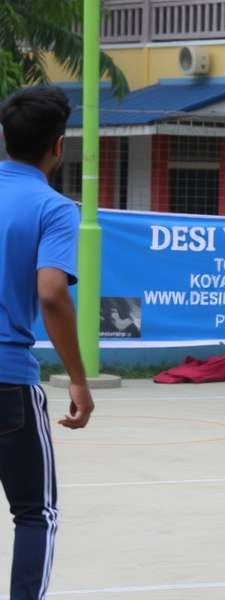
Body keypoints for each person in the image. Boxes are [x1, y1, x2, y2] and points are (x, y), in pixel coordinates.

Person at [0, 87, 95, 599]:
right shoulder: (54, 209)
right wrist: (78, 379)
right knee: (35, 513)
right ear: (59, 145)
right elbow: (52, 293)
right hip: (8, 382)